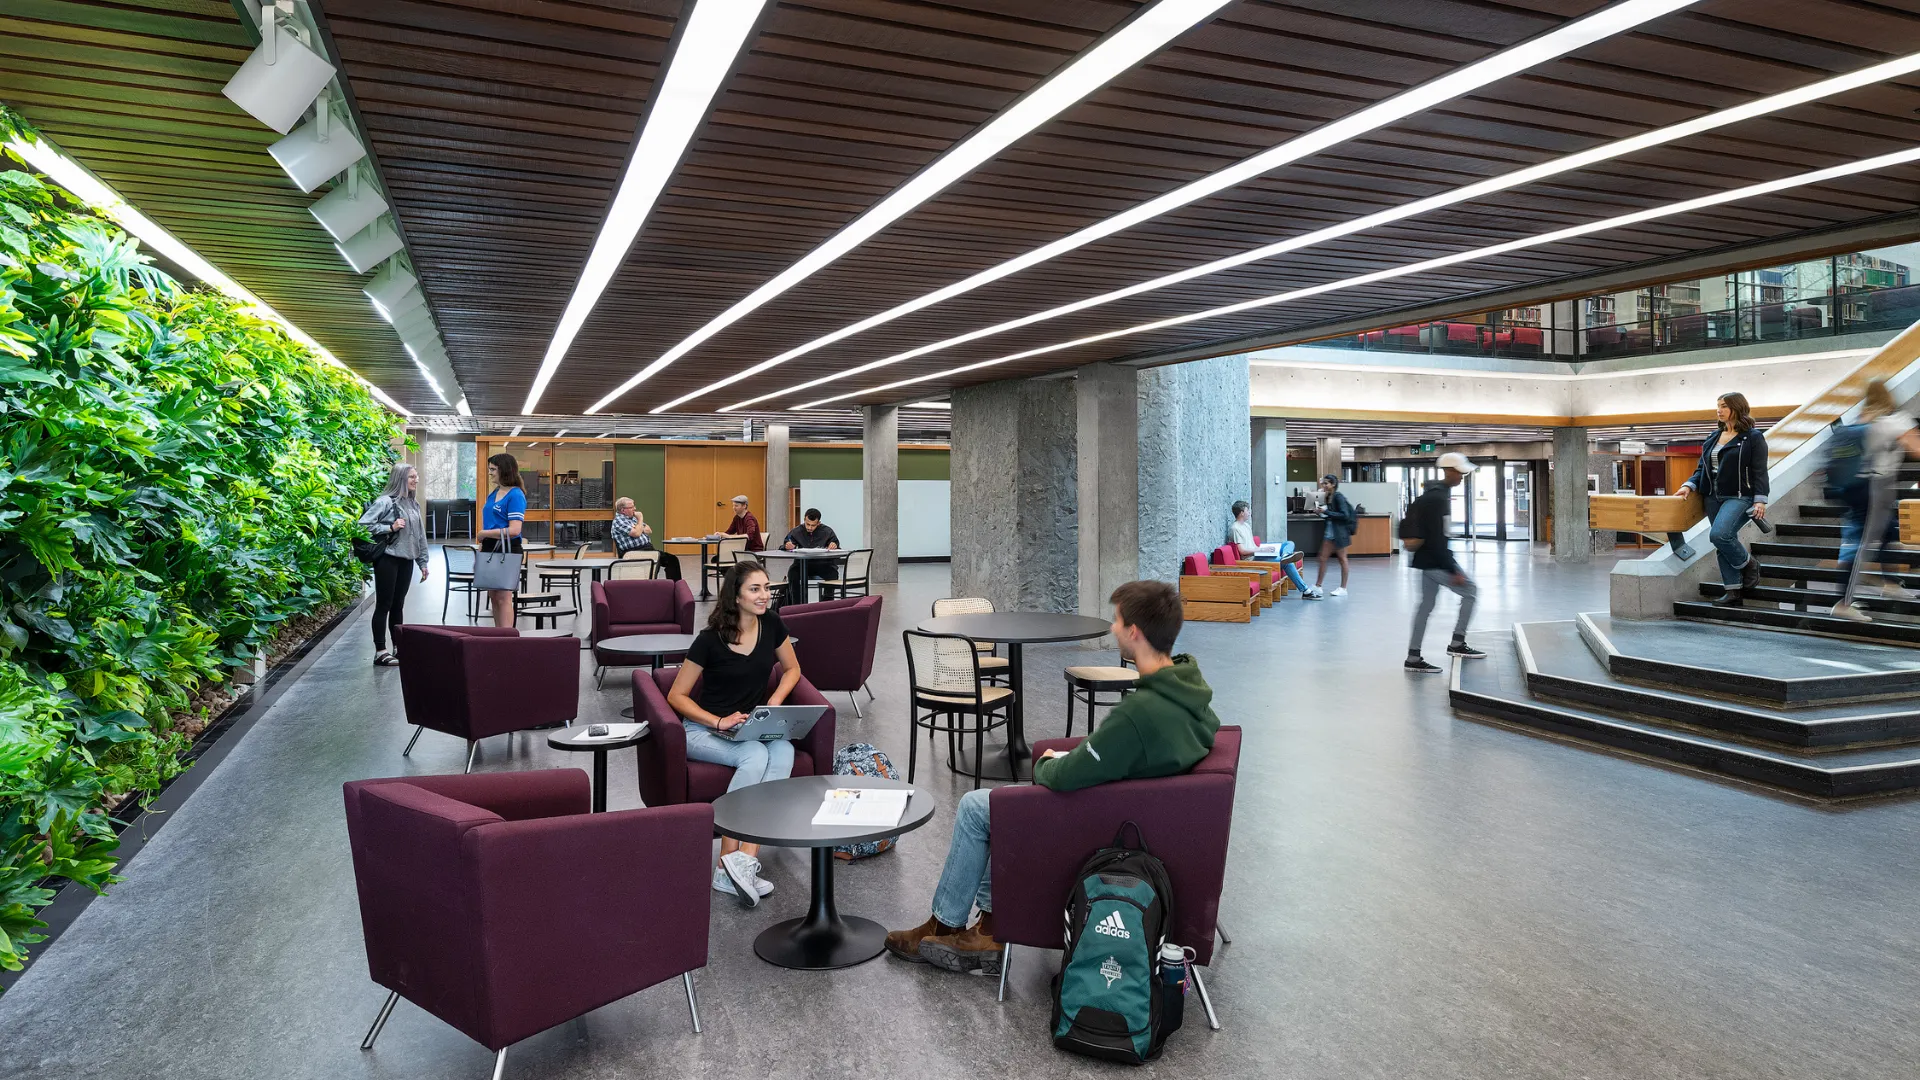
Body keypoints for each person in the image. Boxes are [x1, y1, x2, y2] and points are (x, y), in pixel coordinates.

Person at [884, 579, 1220, 975]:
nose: (1113, 628)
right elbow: (1116, 755)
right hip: (1138, 812)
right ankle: (989, 927)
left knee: (977, 807)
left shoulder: (1139, 714)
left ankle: (945, 923)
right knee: (1001, 807)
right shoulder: (1189, 688)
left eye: (1117, 621)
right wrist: (1085, 756)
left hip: (1102, 826)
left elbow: (1063, 778)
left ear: (1134, 632)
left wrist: (1044, 764)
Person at [665, 558, 802, 906]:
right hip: (702, 729)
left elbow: (792, 669)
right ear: (736, 596)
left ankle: (745, 862)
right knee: (754, 755)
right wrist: (717, 721)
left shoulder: (772, 624)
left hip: (750, 726)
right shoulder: (709, 640)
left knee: (784, 751)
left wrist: (773, 702)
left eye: (766, 588)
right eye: (755, 589)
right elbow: (676, 696)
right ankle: (726, 863)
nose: (764, 595)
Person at [1832, 380, 1920, 622]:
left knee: (1890, 532)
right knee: (1860, 546)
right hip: (1873, 488)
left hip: (1855, 487)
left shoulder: (1863, 418)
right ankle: (1843, 603)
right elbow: (1917, 449)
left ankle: (1890, 584)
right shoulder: (1896, 420)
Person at [1675, 392, 1769, 608]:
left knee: (1719, 535)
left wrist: (1760, 500)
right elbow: (1702, 468)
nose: (1719, 410)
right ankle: (1733, 591)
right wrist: (1689, 485)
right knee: (1722, 542)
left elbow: (1760, 471)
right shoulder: (1713, 436)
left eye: (1724, 406)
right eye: (1718, 406)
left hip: (1739, 496)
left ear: (1737, 407)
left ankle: (1749, 564)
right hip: (1712, 496)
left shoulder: (1752, 437)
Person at [1404, 452, 1487, 673]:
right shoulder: (1439, 499)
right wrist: (1452, 569)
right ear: (1449, 471)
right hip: (1436, 561)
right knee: (1470, 591)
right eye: (1460, 473)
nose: (1462, 477)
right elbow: (1438, 538)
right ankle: (1457, 643)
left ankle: (1413, 656)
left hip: (1425, 560)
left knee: (1425, 606)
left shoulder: (1433, 494)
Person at [357, 463, 430, 666]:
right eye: (412, 477)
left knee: (398, 605)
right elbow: (361, 526)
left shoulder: (413, 504)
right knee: (384, 604)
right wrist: (389, 527)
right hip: (388, 559)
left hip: (407, 560)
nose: (416, 480)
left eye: (416, 476)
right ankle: (380, 652)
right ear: (400, 479)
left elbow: (420, 535)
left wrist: (423, 561)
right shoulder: (385, 502)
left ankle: (399, 648)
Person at [1228, 499, 1318, 599]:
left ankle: (1285, 555)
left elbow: (1252, 545)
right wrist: (1261, 550)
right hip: (1252, 559)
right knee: (1286, 563)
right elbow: (1242, 551)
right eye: (1247, 510)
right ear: (1241, 513)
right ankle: (1306, 591)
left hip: (1258, 553)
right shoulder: (1235, 528)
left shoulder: (1246, 525)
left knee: (1289, 543)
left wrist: (1264, 549)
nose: (1249, 513)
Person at [477, 453, 525, 629]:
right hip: (490, 548)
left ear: (504, 470)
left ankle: (507, 638)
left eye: (493, 469)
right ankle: (498, 634)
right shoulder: (494, 494)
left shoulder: (515, 495)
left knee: (504, 596)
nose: (490, 473)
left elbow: (515, 530)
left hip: (507, 549)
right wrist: (482, 545)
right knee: (493, 595)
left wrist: (485, 533)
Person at [611, 497, 681, 580]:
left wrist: (639, 528)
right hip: (635, 552)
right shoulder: (619, 521)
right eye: (632, 507)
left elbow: (649, 530)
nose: (635, 509)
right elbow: (636, 534)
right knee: (670, 561)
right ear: (623, 510)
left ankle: (674, 585)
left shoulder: (632, 519)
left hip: (647, 550)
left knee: (672, 560)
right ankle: (671, 585)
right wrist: (640, 520)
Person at [780, 507, 840, 601]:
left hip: (823, 565)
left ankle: (826, 604)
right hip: (801, 565)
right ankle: (797, 604)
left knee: (833, 574)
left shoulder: (827, 532)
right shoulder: (796, 531)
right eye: (807, 524)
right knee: (792, 573)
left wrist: (834, 545)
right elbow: (784, 544)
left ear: (818, 523)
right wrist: (787, 546)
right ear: (804, 519)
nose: (809, 528)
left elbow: (836, 545)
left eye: (813, 525)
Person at [1315, 474, 1355, 596]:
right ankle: (1318, 586)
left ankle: (1343, 588)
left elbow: (1344, 515)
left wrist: (1326, 511)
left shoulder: (1338, 497)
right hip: (1330, 532)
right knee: (1322, 558)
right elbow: (1331, 515)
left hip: (1339, 533)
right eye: (1323, 483)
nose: (1324, 485)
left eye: (1326, 483)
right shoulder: (1329, 497)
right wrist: (1321, 513)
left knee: (1342, 559)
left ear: (1333, 484)